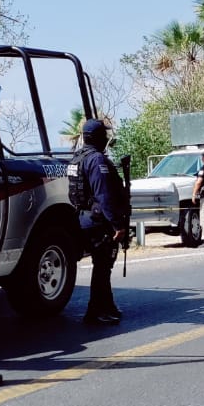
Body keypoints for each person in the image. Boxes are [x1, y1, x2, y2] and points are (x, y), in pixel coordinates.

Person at [68, 119, 129, 325]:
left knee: (103, 265)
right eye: (104, 135)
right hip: (98, 221)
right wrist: (117, 225)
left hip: (84, 218)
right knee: (103, 266)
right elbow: (104, 196)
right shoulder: (96, 160)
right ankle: (96, 311)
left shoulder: (77, 158)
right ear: (97, 137)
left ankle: (107, 305)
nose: (106, 139)